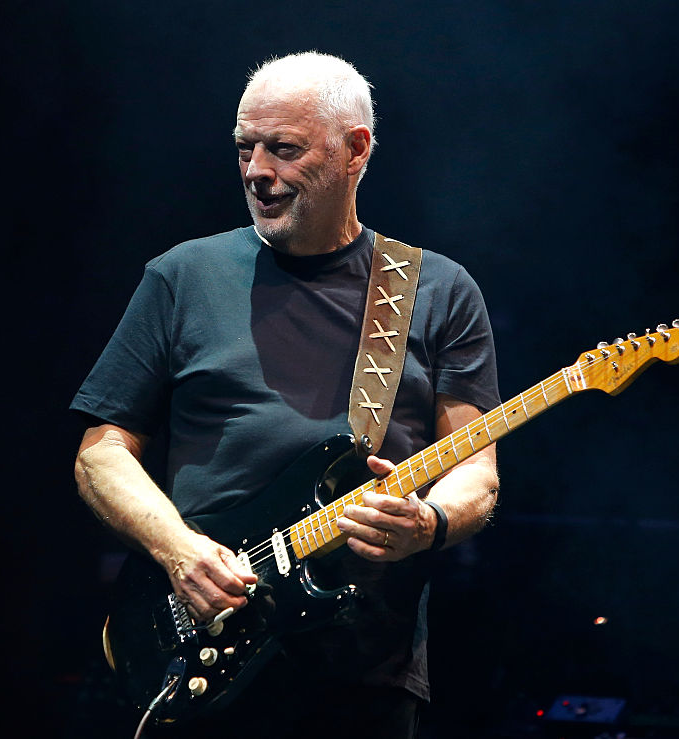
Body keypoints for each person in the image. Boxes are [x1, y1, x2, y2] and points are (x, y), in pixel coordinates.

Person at [72, 51, 500, 738]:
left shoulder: (437, 290)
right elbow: (101, 455)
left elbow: (476, 469)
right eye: (246, 148)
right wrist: (181, 551)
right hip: (204, 652)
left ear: (355, 150)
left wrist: (431, 523)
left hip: (362, 674)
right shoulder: (182, 275)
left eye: (285, 149)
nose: (257, 171)